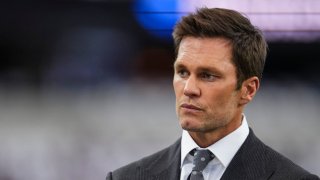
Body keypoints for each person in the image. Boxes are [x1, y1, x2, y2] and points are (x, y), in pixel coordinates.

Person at [106, 7, 319, 180]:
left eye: (207, 75)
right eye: (182, 72)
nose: (189, 88)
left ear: (248, 89)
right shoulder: (124, 177)